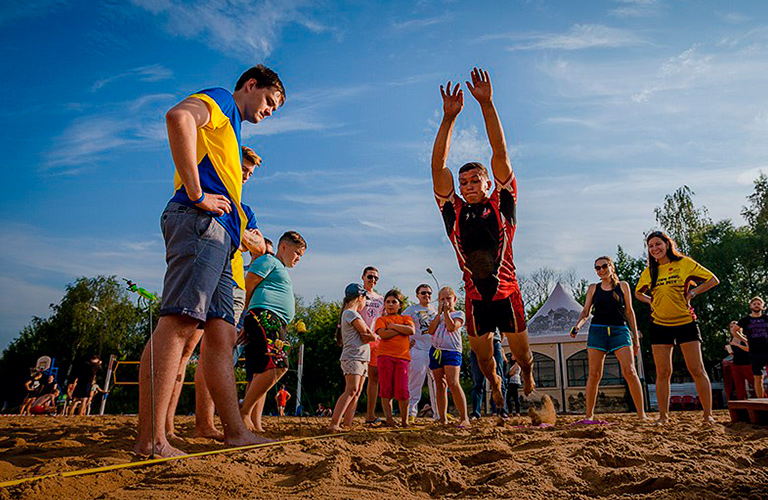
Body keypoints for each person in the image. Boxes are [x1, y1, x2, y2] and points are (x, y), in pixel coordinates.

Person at [135, 65, 285, 457]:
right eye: (270, 101)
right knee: (180, 322)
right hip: (199, 223)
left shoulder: (232, 131)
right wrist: (197, 193)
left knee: (221, 337)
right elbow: (178, 117)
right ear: (250, 85)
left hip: (223, 239)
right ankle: (151, 440)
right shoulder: (221, 100)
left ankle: (235, 432)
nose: (271, 111)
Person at [430, 68, 535, 417]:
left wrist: (487, 104)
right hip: (476, 298)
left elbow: (499, 151)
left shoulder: (502, 203)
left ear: (488, 184)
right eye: (464, 182)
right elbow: (438, 167)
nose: (468, 186)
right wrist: (449, 118)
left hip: (507, 293)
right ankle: (495, 384)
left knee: (522, 355)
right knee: (485, 360)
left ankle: (527, 373)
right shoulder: (454, 211)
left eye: (475, 180)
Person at [164, 146, 266, 441]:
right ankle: (166, 426)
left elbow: (260, 248)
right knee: (184, 347)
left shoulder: (244, 210)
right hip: (206, 267)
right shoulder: (210, 191)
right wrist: (240, 235)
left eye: (249, 173)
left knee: (218, 348)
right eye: (243, 169)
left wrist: (236, 231)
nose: (245, 176)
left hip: (231, 282)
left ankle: (206, 424)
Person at [635, 231, 720, 424]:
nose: (655, 248)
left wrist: (692, 293)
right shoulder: (650, 271)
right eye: (650, 246)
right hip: (659, 324)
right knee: (663, 372)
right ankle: (663, 417)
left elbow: (713, 280)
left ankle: (708, 415)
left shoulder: (684, 263)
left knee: (696, 369)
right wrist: (650, 301)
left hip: (685, 322)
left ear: (667, 244)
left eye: (658, 244)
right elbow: (638, 293)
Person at [240, 231, 307, 433]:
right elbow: (249, 285)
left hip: (270, 319)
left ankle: (255, 423)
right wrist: (249, 316)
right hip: (267, 317)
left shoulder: (279, 267)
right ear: (283, 247)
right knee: (279, 365)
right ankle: (243, 412)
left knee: (259, 373)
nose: (298, 258)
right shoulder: (268, 260)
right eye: (297, 253)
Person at [571, 256, 646, 421]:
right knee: (594, 374)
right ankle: (589, 416)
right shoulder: (593, 288)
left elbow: (629, 312)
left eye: (604, 266)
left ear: (611, 266)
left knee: (630, 371)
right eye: (597, 268)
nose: (601, 270)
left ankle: (642, 415)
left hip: (620, 330)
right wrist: (578, 326)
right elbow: (586, 312)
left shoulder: (623, 286)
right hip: (598, 331)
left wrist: (635, 338)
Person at [328, 284, 378, 432]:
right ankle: (334, 423)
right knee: (351, 389)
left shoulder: (352, 314)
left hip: (362, 356)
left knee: (357, 391)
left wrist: (370, 336)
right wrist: (371, 336)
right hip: (353, 356)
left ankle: (347, 424)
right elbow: (367, 334)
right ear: (360, 298)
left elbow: (368, 335)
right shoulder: (351, 314)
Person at [427, 287, 470, 427]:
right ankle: (442, 417)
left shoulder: (459, 314)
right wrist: (439, 314)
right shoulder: (436, 315)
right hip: (436, 351)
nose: (445, 301)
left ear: (454, 299)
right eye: (442, 299)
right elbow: (431, 330)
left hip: (452, 351)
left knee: (453, 382)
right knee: (440, 384)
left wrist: (446, 312)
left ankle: (464, 417)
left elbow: (452, 327)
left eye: (448, 298)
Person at [374, 290, 415, 427]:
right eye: (388, 302)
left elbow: (411, 330)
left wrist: (392, 327)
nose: (390, 304)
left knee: (402, 390)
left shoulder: (406, 318)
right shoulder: (381, 320)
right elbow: (383, 334)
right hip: (385, 357)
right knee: (386, 390)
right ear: (384, 304)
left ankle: (404, 421)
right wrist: (401, 330)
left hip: (402, 357)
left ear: (400, 305)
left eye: (394, 302)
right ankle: (389, 420)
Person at [403, 284, 439, 423]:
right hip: (418, 349)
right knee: (415, 381)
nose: (426, 295)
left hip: (434, 349)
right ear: (417, 295)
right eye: (423, 293)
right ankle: (411, 412)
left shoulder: (435, 310)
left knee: (437, 382)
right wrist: (407, 340)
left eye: (429, 293)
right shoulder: (411, 310)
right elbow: (401, 325)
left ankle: (439, 412)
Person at [359, 266, 385, 424]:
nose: (373, 280)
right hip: (361, 339)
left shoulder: (381, 299)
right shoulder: (358, 294)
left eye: (376, 278)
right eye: (370, 276)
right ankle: (348, 415)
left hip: (376, 340)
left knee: (374, 378)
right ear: (363, 277)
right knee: (358, 379)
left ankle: (370, 415)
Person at [738, 297, 768, 397]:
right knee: (758, 377)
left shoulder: (766, 318)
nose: (756, 305)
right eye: (754, 304)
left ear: (763, 306)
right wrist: (744, 339)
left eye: (759, 304)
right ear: (750, 306)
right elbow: (734, 330)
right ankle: (761, 401)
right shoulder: (745, 320)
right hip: (755, 352)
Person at [725, 321, 753, 400]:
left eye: (734, 327)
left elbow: (749, 349)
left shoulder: (745, 337)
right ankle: (742, 404)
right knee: (739, 387)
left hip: (748, 364)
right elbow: (733, 354)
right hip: (736, 365)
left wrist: (737, 344)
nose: (732, 329)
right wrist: (729, 350)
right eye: (731, 327)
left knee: (754, 383)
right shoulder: (730, 339)